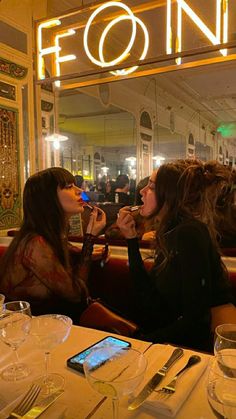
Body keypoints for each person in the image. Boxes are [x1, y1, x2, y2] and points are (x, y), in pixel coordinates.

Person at [117, 161, 233, 351]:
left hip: (190, 350)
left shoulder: (190, 233)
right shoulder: (169, 232)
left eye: (152, 187)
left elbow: (196, 320)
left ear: (170, 195)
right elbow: (148, 296)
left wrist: (144, 343)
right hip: (170, 340)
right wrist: (131, 239)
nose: (142, 191)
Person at [0, 167, 106, 323]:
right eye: (69, 187)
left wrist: (88, 252)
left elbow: (69, 253)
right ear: (48, 199)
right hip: (25, 331)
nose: (79, 191)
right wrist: (89, 238)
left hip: (50, 326)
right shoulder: (35, 243)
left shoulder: (52, 236)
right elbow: (77, 295)